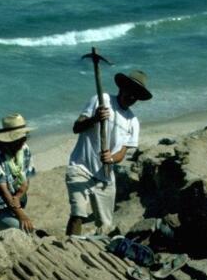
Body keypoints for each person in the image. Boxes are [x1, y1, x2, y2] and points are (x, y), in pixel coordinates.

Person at [65, 70, 152, 236]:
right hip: (80, 167)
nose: (131, 97)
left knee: (105, 225)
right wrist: (95, 119)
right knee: (78, 213)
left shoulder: (133, 122)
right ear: (122, 88)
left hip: (105, 175)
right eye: (129, 91)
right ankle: (70, 247)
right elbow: (76, 127)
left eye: (136, 95)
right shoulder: (102, 100)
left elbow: (122, 153)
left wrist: (111, 158)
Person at [0, 114, 36, 233]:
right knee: (19, 229)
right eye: (19, 139)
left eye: (24, 138)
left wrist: (18, 196)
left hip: (15, 203)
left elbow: (26, 181)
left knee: (22, 228)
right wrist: (21, 213)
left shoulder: (24, 149)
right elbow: (3, 191)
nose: (23, 142)